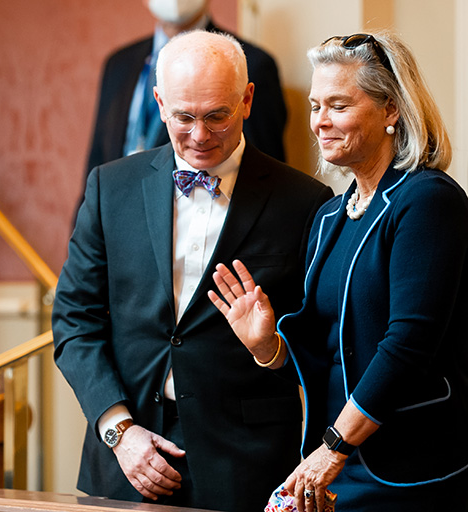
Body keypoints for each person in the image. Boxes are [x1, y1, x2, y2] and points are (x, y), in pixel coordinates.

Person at [53, 30, 333, 512]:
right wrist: (119, 431)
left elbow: (325, 345)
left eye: (216, 116)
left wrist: (270, 348)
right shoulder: (110, 187)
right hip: (125, 460)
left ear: (246, 100)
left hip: (247, 465)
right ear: (159, 103)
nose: (200, 135)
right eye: (183, 117)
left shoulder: (307, 204)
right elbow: (75, 319)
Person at [210, 32, 468, 512]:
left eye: (337, 105)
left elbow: (408, 345)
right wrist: (268, 347)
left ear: (392, 110)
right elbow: (328, 348)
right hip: (342, 450)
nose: (319, 122)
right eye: (316, 106)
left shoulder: (427, 200)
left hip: (411, 459)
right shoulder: (330, 216)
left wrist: (334, 447)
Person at [84, 0, 287, 183]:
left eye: (215, 115)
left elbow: (265, 174)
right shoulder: (119, 64)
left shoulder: (252, 65)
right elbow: (97, 159)